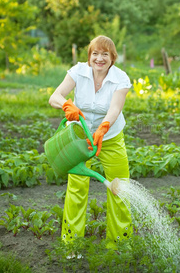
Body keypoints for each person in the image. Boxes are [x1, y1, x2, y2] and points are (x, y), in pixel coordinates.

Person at [48, 35, 132, 249]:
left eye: (105, 54)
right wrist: (66, 105)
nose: (99, 58)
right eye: (95, 53)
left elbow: (115, 108)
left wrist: (104, 127)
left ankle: (119, 243)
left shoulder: (120, 79)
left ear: (112, 58)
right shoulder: (78, 72)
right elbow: (54, 96)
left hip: (110, 138)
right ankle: (71, 242)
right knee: (76, 186)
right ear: (89, 57)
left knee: (119, 187)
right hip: (79, 139)